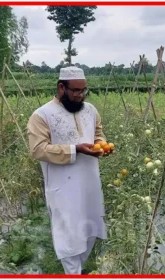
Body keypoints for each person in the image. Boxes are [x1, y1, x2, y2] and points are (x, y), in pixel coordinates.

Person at [27, 66, 111, 274]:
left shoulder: (90, 110)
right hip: (62, 186)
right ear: (61, 87)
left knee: (90, 228)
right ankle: (72, 272)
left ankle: (78, 269)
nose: (80, 95)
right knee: (68, 233)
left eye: (83, 91)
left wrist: (102, 144)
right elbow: (38, 150)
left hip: (90, 182)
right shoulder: (42, 116)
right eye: (75, 91)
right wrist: (76, 150)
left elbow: (98, 133)